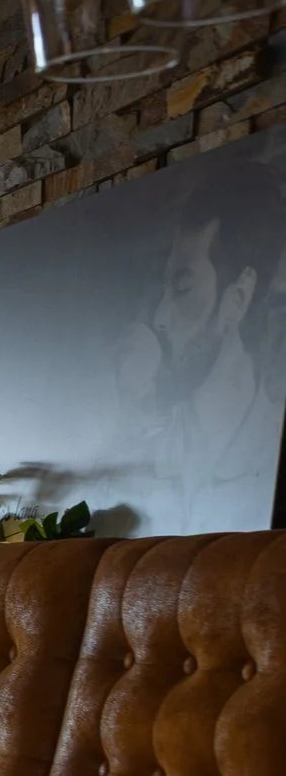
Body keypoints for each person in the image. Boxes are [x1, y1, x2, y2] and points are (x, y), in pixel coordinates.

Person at [109, 155, 286, 533]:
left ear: (238, 297)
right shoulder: (145, 448)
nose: (159, 316)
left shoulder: (268, 452)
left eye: (183, 288)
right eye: (165, 289)